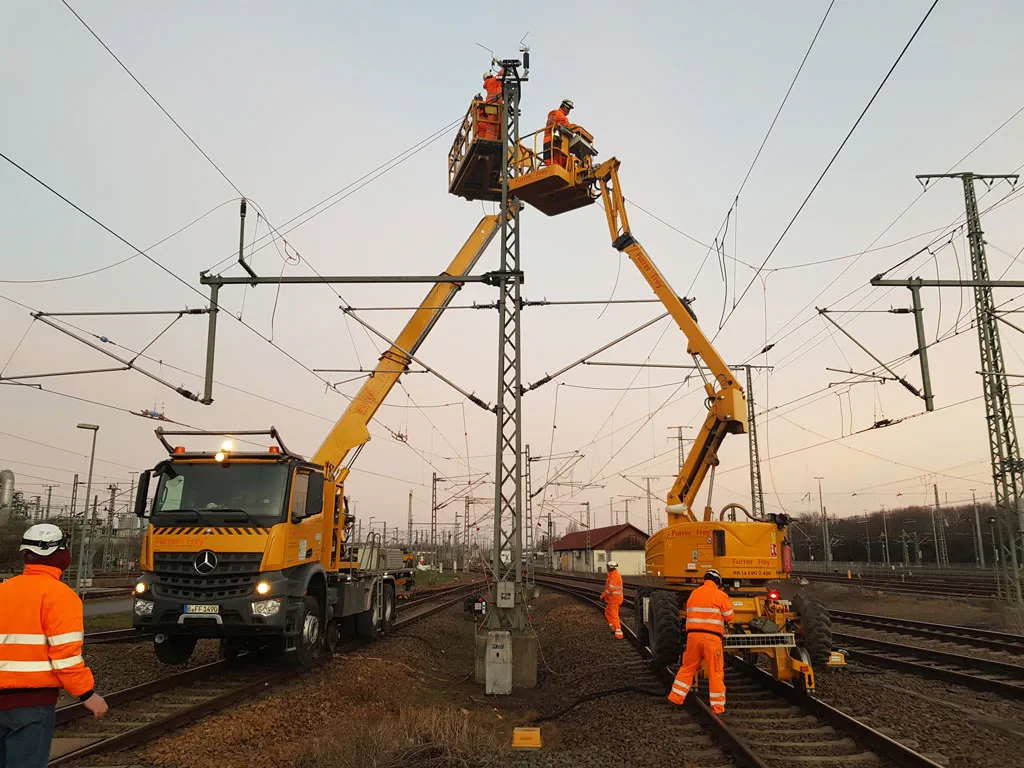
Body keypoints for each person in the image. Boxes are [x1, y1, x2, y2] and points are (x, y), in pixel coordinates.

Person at [0, 524, 107, 768]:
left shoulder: (3, 591)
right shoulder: (60, 596)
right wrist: (87, 694)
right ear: (59, 554)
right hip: (31, 705)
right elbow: (65, 659)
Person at [667, 568, 734, 714]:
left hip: (693, 637)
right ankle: (718, 707)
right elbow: (729, 616)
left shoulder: (694, 594)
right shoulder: (720, 595)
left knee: (687, 668)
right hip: (712, 639)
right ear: (718, 582)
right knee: (715, 671)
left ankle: (675, 697)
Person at [543, 98, 573, 167]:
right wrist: (558, 127)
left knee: (563, 162)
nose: (569, 111)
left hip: (561, 143)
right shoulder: (555, 113)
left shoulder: (566, 119)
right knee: (551, 161)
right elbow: (549, 124)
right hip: (551, 140)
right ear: (563, 106)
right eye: (568, 108)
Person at [599, 560, 624, 640]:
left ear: (610, 568)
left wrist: (603, 595)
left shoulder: (614, 576)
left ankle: (618, 633)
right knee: (608, 612)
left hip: (614, 599)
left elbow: (611, 589)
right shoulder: (612, 575)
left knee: (614, 615)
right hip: (612, 599)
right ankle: (614, 628)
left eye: (607, 567)